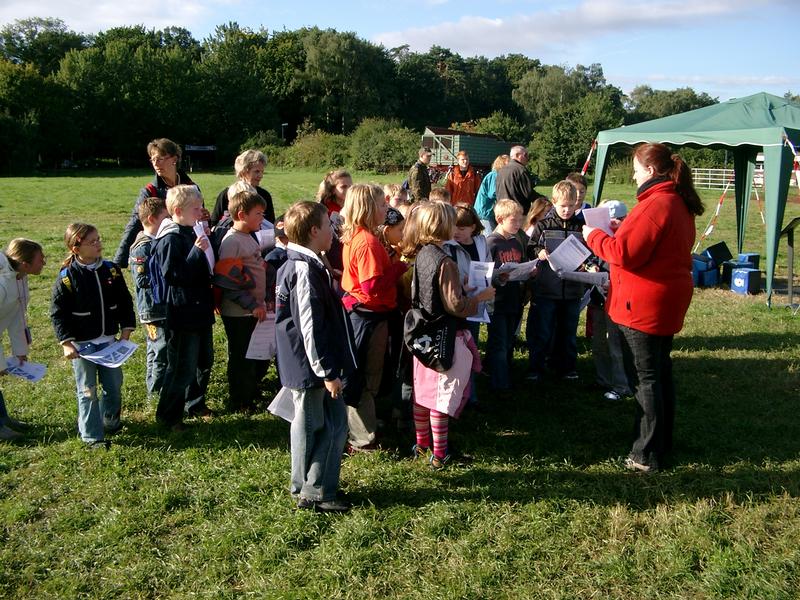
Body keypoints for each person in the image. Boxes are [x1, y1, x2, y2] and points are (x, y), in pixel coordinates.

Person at [583, 143, 704, 473]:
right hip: (665, 299)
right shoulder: (675, 201)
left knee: (645, 380)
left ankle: (645, 453)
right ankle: (659, 440)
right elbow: (648, 244)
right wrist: (622, 231)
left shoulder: (656, 204)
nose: (633, 175)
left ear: (651, 171)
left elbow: (623, 254)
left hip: (643, 304)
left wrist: (593, 235)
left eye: (636, 169)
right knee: (659, 375)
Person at [276, 201, 357, 512]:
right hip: (313, 370)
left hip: (318, 366)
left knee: (332, 425)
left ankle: (314, 485)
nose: (333, 231)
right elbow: (309, 327)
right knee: (315, 427)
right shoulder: (302, 269)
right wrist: (326, 372)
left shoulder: (311, 264)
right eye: (327, 225)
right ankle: (310, 492)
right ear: (313, 231)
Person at [408, 201, 495, 469]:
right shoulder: (445, 261)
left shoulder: (423, 252)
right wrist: (479, 296)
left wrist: (458, 286)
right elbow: (456, 306)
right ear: (443, 226)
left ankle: (422, 444)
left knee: (422, 394)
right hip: (444, 336)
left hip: (422, 333)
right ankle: (439, 453)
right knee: (440, 398)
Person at [51, 224, 136, 450]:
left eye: (99, 239)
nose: (99, 244)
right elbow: (58, 314)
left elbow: (125, 302)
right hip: (82, 347)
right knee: (87, 392)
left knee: (114, 386)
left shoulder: (111, 270)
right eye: (92, 242)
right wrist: (67, 343)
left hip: (109, 343)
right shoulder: (67, 277)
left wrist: (126, 331)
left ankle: (111, 420)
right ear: (76, 247)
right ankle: (92, 437)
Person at [340, 183, 407, 452]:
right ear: (368, 208)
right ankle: (362, 438)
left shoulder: (359, 235)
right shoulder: (366, 242)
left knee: (366, 374)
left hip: (367, 313)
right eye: (381, 205)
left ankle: (363, 427)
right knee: (364, 376)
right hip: (368, 314)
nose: (386, 209)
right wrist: (399, 267)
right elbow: (371, 287)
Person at [154, 185, 215, 431]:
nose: (201, 212)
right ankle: (169, 416)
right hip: (182, 313)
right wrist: (195, 252)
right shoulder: (170, 239)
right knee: (181, 367)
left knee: (204, 360)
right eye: (196, 208)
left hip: (200, 310)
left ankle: (195, 403)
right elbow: (174, 276)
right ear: (178, 211)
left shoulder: (191, 231)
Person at [214, 190, 270, 414]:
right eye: (258, 214)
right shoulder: (232, 242)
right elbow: (230, 283)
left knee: (255, 354)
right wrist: (252, 305)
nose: (262, 219)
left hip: (253, 310)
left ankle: (251, 391)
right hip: (239, 313)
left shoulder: (248, 236)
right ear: (241, 214)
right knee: (241, 358)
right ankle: (240, 400)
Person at [526, 181, 586, 382]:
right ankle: (536, 368)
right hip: (546, 288)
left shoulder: (581, 227)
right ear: (554, 203)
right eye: (563, 206)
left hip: (572, 290)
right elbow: (530, 248)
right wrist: (539, 252)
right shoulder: (543, 226)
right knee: (542, 331)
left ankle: (567, 368)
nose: (567, 210)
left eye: (571, 205)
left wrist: (587, 264)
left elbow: (590, 253)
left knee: (568, 332)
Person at [113, 138, 204, 267]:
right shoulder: (150, 191)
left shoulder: (192, 187)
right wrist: (119, 260)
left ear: (174, 159)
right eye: (152, 159)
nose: (156, 163)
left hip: (191, 245)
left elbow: (200, 217)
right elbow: (135, 222)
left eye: (160, 159)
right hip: (164, 247)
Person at [0, 239, 46, 440]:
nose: (44, 262)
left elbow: (18, 316)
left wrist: (20, 350)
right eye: (40, 259)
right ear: (25, 264)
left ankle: (4, 420)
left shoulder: (20, 277)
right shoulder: (2, 284)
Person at [587, 200, 632, 402]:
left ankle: (622, 386)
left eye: (617, 220)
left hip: (617, 301)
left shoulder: (628, 240)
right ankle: (603, 378)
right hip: (598, 298)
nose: (612, 224)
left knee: (616, 345)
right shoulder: (599, 236)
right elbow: (590, 258)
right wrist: (591, 267)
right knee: (598, 342)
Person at [446, 204, 490, 408]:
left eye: (462, 228)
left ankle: (471, 394)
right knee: (459, 352)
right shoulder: (448, 247)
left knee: (472, 349)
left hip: (477, 304)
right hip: (459, 303)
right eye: (454, 227)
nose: (457, 232)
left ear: (473, 227)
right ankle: (460, 396)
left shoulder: (481, 242)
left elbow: (487, 264)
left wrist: (496, 276)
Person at [486, 199, 528, 392]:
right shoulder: (491, 243)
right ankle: (499, 383)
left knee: (509, 340)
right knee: (499, 343)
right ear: (500, 219)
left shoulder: (516, 241)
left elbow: (521, 264)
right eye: (514, 220)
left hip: (514, 299)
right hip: (497, 301)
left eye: (520, 220)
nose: (518, 224)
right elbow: (485, 274)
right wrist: (498, 276)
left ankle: (505, 374)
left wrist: (529, 272)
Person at [129, 197, 169, 398]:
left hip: (162, 307)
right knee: (159, 350)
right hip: (152, 310)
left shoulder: (157, 242)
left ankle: (156, 389)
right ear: (152, 219)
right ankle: (156, 393)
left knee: (158, 349)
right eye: (165, 217)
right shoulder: (142, 247)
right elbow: (142, 279)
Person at [209, 149, 275, 227]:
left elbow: (271, 223)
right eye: (256, 171)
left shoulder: (264, 195)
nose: (261, 176)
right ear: (243, 172)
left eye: (262, 172)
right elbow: (214, 223)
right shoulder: (226, 194)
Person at [316, 169, 353, 274]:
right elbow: (320, 245)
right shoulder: (324, 210)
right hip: (332, 259)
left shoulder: (354, 207)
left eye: (351, 186)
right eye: (343, 187)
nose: (349, 190)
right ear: (332, 190)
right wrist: (329, 269)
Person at [495, 145, 545, 214]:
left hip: (503, 211)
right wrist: (544, 199)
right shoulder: (521, 170)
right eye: (525, 155)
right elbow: (528, 193)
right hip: (517, 212)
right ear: (518, 155)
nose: (528, 158)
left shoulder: (501, 170)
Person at [474, 154, 509, 231]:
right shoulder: (494, 175)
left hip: (488, 212)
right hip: (485, 212)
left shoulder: (495, 175)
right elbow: (492, 193)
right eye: (507, 164)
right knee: (489, 237)